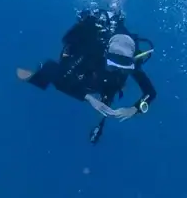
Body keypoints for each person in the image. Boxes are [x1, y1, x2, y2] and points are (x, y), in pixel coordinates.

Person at [25, 8, 156, 143]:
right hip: (87, 76)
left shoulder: (132, 60)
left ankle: (99, 122)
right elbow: (62, 79)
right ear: (106, 54)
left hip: (104, 84)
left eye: (125, 69)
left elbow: (150, 92)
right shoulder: (93, 49)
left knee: (108, 94)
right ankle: (41, 73)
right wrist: (88, 98)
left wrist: (135, 109)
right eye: (113, 66)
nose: (118, 70)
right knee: (59, 78)